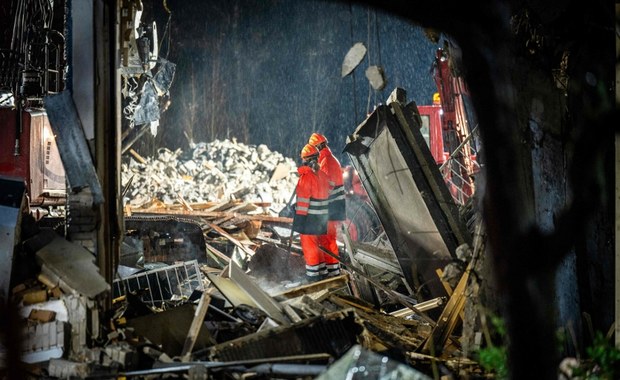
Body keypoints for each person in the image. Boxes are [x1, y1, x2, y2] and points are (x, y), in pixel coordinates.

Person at [308, 132, 345, 277]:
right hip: (332, 207)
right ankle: (327, 271)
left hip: (331, 208)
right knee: (324, 239)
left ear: (317, 147)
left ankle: (333, 273)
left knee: (328, 240)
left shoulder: (327, 161)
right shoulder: (326, 159)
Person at [292, 144, 330, 283]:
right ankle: (322, 272)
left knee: (310, 247)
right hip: (321, 219)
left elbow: (303, 201)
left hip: (309, 219)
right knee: (318, 245)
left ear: (305, 160)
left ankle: (313, 276)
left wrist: (299, 218)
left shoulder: (306, 177)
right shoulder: (323, 176)